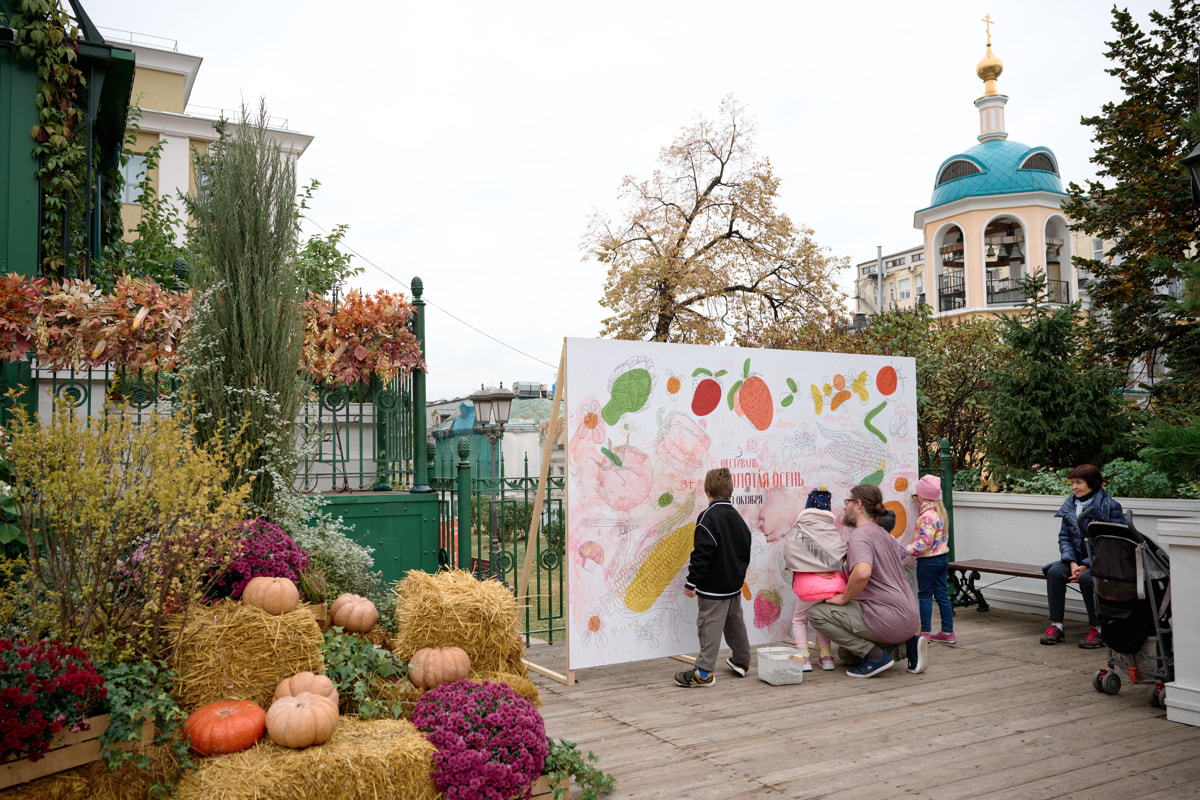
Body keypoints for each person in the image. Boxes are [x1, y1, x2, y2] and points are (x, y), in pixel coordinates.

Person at [809, 484, 924, 678]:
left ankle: (876, 657)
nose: (845, 507)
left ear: (859, 504)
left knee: (816, 613)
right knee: (847, 655)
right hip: (909, 617)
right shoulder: (885, 535)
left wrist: (844, 598)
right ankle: (907, 646)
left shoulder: (861, 536)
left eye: (848, 502)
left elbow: (862, 573)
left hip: (887, 616)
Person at [674, 467, 754, 687]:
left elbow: (701, 554)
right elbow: (745, 548)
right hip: (733, 585)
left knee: (709, 627)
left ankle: (703, 673)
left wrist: (692, 582)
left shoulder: (707, 518)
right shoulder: (738, 518)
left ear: (706, 490)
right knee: (735, 623)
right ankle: (742, 660)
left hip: (713, 589)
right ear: (731, 490)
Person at [1040, 464, 1124, 648]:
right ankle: (1056, 626)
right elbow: (1064, 538)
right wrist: (1071, 563)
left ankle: (1098, 629)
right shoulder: (1071, 504)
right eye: (1073, 483)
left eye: (1079, 482)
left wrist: (1086, 565)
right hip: (1075, 561)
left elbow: (1112, 542)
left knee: (1087, 578)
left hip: (1104, 562)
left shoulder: (1110, 506)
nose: (1074, 487)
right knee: (1054, 572)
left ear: (1092, 483)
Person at [781, 488, 845, 671]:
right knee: (820, 619)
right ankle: (826, 658)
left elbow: (790, 551)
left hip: (809, 586)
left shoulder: (800, 529)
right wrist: (825, 567)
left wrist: (812, 568)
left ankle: (804, 658)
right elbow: (840, 551)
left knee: (799, 619)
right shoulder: (832, 530)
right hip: (831, 584)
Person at [904, 474, 955, 644]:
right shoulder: (939, 513)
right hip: (942, 559)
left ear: (923, 495)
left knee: (925, 595)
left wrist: (906, 550)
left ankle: (925, 632)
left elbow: (925, 543)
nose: (915, 496)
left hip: (928, 561)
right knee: (942, 595)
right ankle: (947, 632)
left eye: (917, 494)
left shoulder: (926, 517)